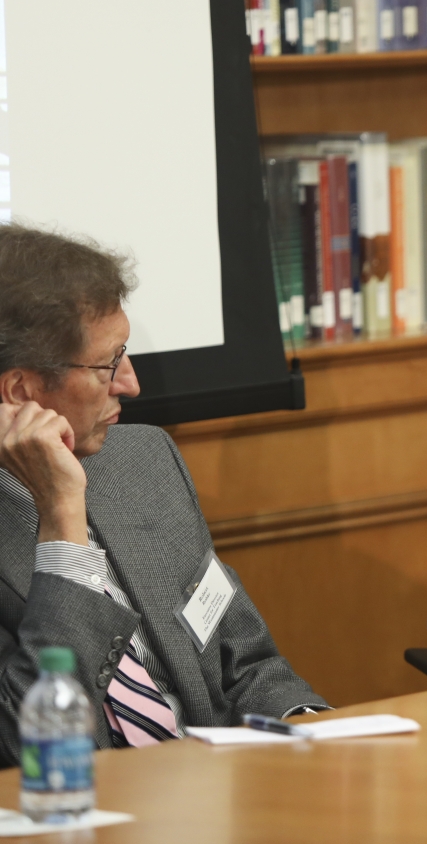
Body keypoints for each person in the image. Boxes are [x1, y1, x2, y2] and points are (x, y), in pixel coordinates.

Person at [0, 224, 326, 764]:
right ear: (20, 393)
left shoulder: (142, 461)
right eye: (107, 365)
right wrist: (62, 518)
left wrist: (310, 730)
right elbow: (27, 746)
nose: (131, 383)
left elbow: (245, 665)